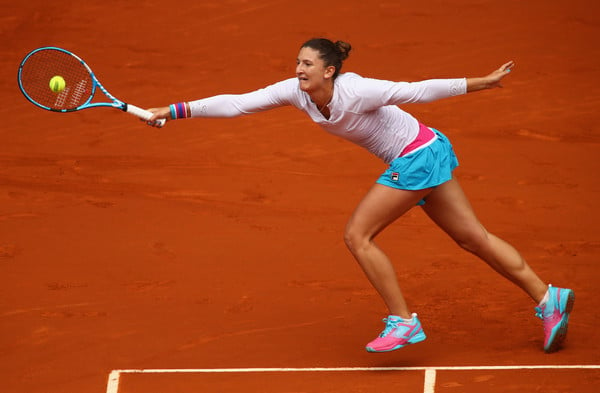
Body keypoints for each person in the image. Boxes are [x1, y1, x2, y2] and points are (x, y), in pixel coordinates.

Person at [146, 38, 574, 354]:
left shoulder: (358, 89)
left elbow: (417, 90)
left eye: (308, 63)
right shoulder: (295, 93)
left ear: (329, 70)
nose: (298, 69)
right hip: (425, 150)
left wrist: (482, 83)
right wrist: (176, 110)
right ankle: (547, 296)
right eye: (297, 62)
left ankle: (403, 321)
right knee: (471, 237)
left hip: (416, 157)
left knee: (358, 235)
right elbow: (238, 103)